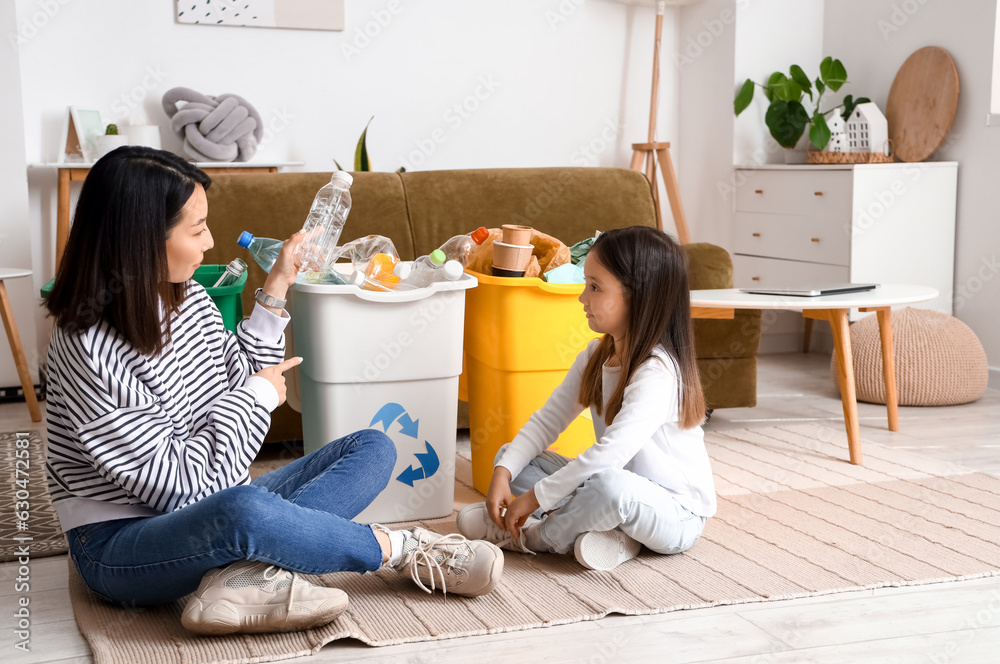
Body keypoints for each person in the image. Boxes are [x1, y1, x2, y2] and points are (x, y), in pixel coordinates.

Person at [43, 146, 503, 636]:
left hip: (219, 499)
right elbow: (183, 489)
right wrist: (257, 397)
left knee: (373, 447)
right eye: (196, 229)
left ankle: (242, 579)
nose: (210, 241)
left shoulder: (189, 297)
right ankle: (404, 550)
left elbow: (236, 377)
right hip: (121, 542)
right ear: (138, 241)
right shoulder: (87, 347)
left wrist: (278, 283)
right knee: (243, 510)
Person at [457, 226, 716, 571]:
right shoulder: (596, 354)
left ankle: (532, 538)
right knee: (511, 456)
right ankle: (611, 533)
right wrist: (504, 473)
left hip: (677, 514)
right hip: (612, 484)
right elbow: (548, 421)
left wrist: (533, 500)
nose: (582, 298)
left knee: (610, 487)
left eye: (594, 287)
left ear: (638, 296)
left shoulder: (658, 373)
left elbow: (610, 456)